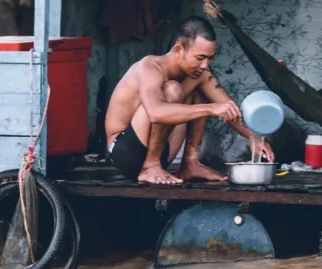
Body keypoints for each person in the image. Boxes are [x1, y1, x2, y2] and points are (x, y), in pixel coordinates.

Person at [105, 16, 275, 185]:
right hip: (125, 152)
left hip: (162, 152)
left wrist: (254, 138)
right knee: (173, 89)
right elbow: (155, 113)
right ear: (178, 49)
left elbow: (228, 108)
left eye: (210, 58)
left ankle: (190, 163)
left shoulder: (200, 73)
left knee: (200, 86)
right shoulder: (149, 68)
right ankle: (151, 164)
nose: (205, 65)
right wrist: (210, 109)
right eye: (200, 58)